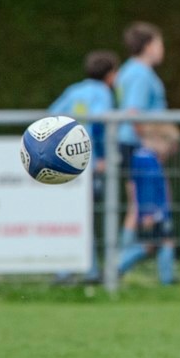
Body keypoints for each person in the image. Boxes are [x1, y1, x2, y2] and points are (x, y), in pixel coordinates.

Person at [114, 22, 179, 281]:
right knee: (149, 207)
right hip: (140, 148)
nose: (162, 49)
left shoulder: (127, 71)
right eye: (160, 43)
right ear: (149, 45)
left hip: (131, 146)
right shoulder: (141, 73)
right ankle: (120, 268)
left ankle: (118, 268)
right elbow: (134, 113)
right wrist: (155, 143)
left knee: (137, 208)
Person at [48, 50, 119, 282]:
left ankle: (67, 269)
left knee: (73, 216)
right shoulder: (103, 93)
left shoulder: (74, 90)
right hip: (89, 162)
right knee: (87, 217)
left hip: (64, 161)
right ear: (110, 75)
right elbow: (100, 124)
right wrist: (102, 156)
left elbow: (51, 116)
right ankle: (89, 271)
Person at [118, 126, 177, 285]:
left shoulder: (149, 159)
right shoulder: (146, 160)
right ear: (159, 141)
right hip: (153, 213)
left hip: (157, 212)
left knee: (160, 243)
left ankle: (167, 280)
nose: (172, 151)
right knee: (151, 245)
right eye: (170, 146)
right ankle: (117, 268)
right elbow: (146, 190)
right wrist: (148, 213)